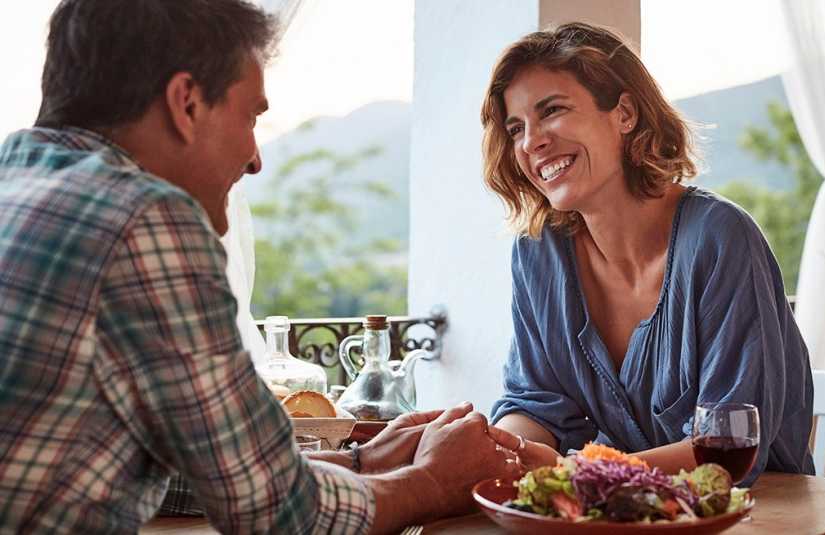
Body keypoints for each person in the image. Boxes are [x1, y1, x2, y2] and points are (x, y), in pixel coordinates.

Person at [0, 1, 517, 533]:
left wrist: (365, 460)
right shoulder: (142, 219)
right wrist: (432, 482)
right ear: (186, 103)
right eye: (251, 116)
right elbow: (280, 512)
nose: (255, 158)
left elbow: (176, 460)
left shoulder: (18, 181)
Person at [480, 22, 815, 484]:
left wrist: (575, 472)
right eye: (516, 128)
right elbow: (538, 403)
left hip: (758, 517)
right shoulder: (539, 252)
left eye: (552, 111)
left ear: (625, 114)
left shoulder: (720, 238)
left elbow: (728, 450)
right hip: (626, 512)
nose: (531, 142)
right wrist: (504, 451)